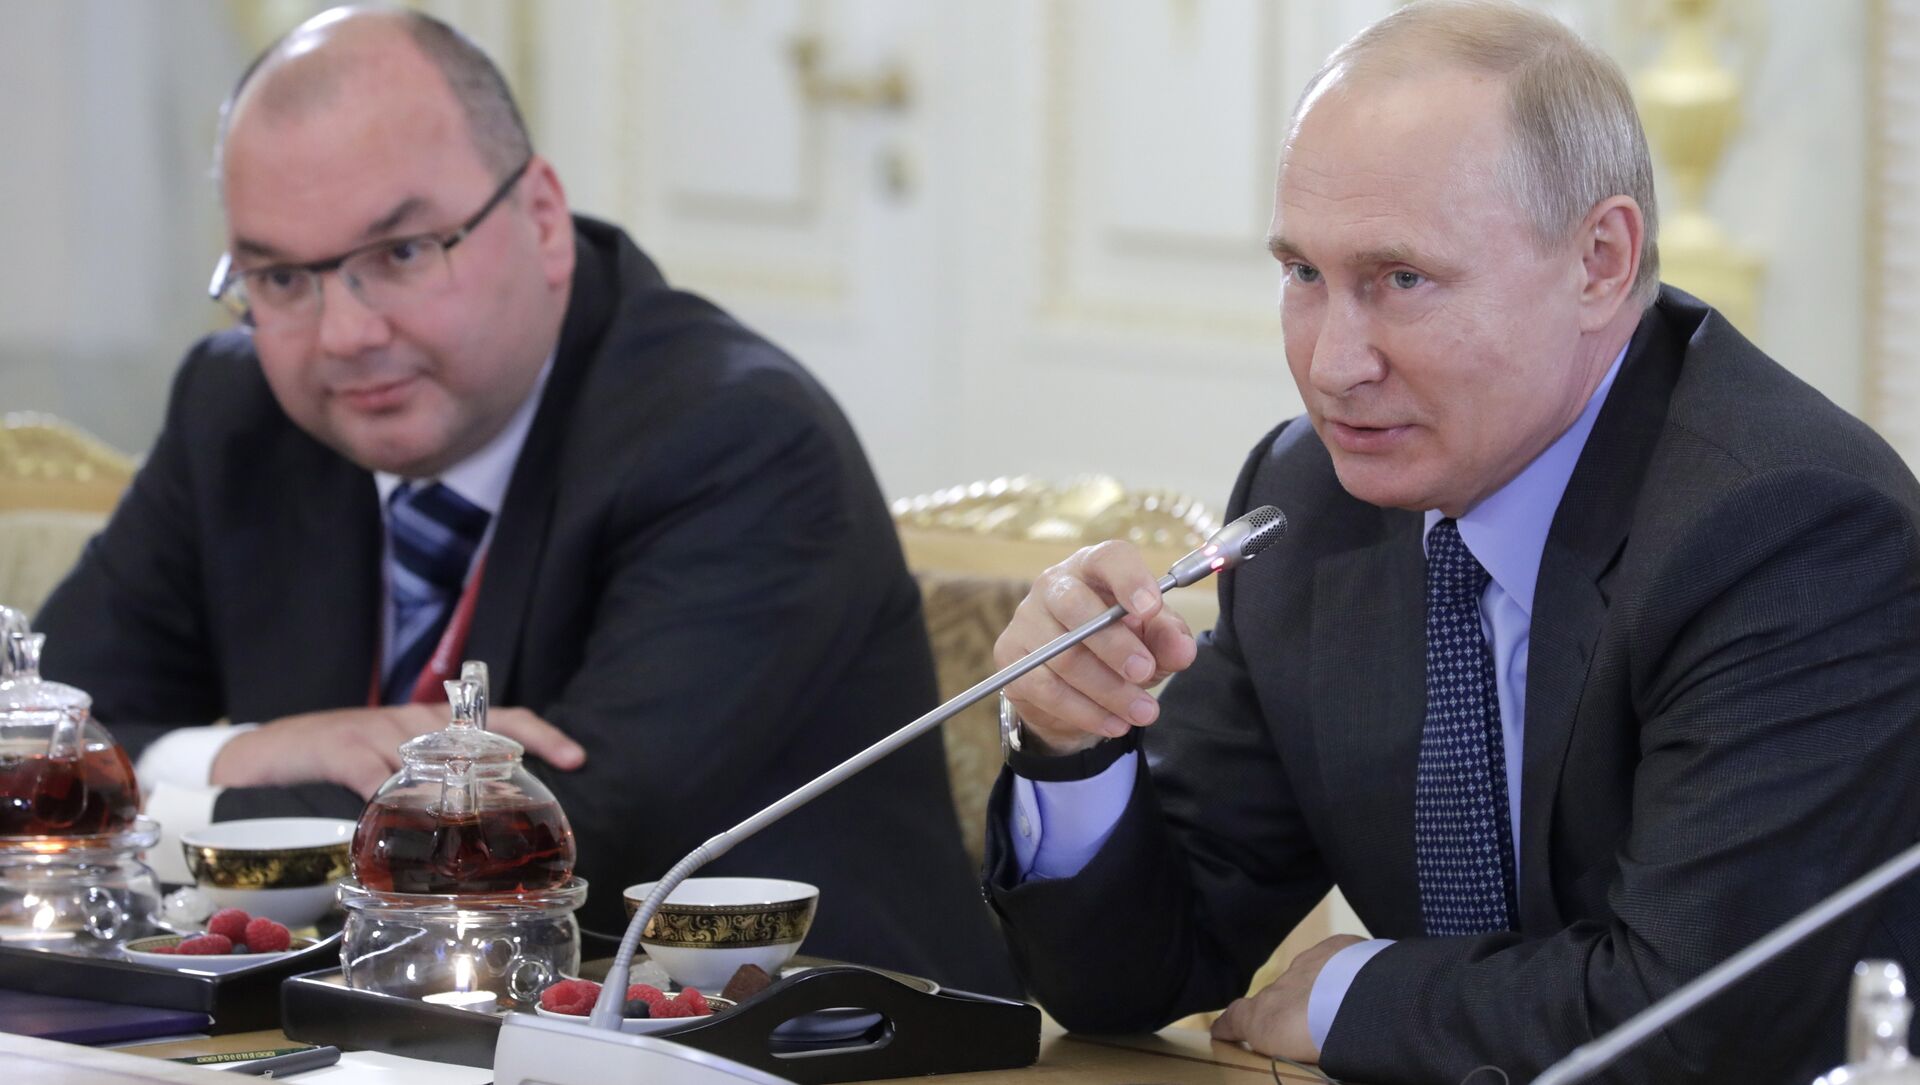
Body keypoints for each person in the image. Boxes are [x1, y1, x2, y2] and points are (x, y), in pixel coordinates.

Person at [983, 1, 1920, 1080]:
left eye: (1402, 280)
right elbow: (1132, 972)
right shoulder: (1314, 500)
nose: (1333, 364)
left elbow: (1696, 1022)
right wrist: (1071, 740)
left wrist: (1352, 995)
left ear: (1600, 260)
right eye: (1303, 274)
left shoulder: (1784, 528)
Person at [35, 6, 1016, 995]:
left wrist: (165, 790)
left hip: (798, 1035)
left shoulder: (738, 440)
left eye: (402, 252)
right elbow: (36, 735)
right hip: (374, 1028)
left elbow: (534, 845)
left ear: (543, 218)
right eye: (281, 276)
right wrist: (247, 751)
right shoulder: (238, 410)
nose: (344, 334)